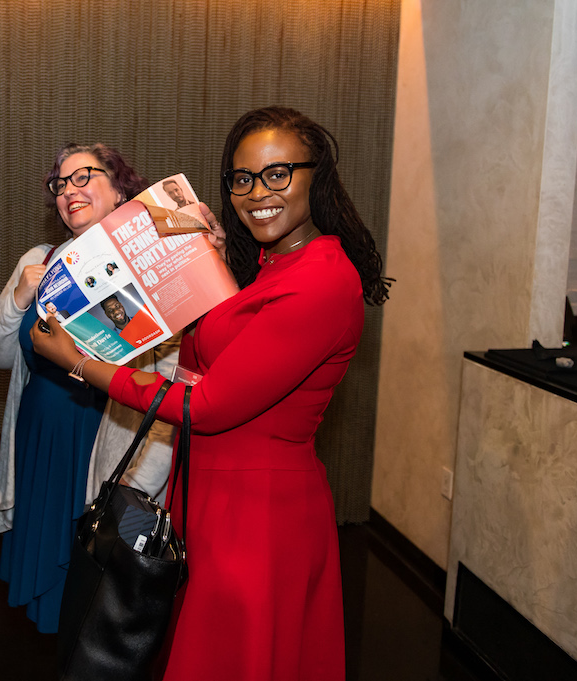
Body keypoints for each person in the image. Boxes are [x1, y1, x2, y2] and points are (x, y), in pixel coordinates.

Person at [31, 107, 390, 679]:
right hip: (212, 500)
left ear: (316, 176)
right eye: (242, 179)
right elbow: (204, 363)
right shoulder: (275, 265)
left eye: (279, 174)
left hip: (259, 520)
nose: (256, 194)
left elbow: (205, 405)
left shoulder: (322, 278)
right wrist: (206, 266)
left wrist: (78, 362)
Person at [0, 143, 178, 634]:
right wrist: (21, 296)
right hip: (43, 434)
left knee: (113, 572)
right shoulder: (39, 260)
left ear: (119, 189)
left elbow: (168, 379)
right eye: (60, 184)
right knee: (54, 568)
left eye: (84, 177)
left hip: (114, 436)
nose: (69, 191)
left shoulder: (154, 269)